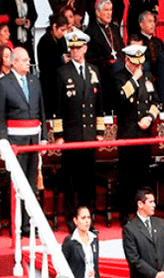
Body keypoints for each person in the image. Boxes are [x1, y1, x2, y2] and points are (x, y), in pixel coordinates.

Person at [0, 46, 49, 236]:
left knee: (32, 185)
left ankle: (30, 224)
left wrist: (44, 138)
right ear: (14, 62)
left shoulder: (35, 81)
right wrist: (3, 144)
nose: (28, 63)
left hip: (33, 139)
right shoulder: (3, 84)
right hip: (15, 142)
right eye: (24, 60)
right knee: (18, 185)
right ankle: (18, 225)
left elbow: (42, 110)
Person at [55, 30, 101, 219]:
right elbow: (57, 107)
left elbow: (99, 104)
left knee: (88, 178)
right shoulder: (62, 72)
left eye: (78, 48)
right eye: (72, 48)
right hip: (71, 134)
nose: (75, 51)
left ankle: (87, 215)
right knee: (70, 178)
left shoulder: (93, 71)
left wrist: (99, 130)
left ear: (85, 48)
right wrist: (59, 136)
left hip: (89, 133)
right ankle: (70, 215)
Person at [111, 43, 160, 224]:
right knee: (127, 176)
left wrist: (150, 117)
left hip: (144, 134)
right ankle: (125, 212)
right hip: (128, 134)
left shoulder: (147, 77)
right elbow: (121, 98)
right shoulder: (119, 77)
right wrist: (133, 79)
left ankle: (144, 212)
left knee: (143, 175)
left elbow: (156, 102)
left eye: (141, 63)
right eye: (134, 63)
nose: (139, 67)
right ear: (127, 61)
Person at [85, 0, 124, 113]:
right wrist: (106, 62)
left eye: (110, 10)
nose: (109, 13)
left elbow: (122, 48)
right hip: (103, 76)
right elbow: (90, 57)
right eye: (106, 10)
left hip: (119, 74)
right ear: (97, 12)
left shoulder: (115, 29)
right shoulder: (91, 31)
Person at [38, 13, 72, 115]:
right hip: (49, 83)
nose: (64, 33)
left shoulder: (61, 40)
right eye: (62, 30)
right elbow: (44, 65)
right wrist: (60, 59)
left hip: (61, 81)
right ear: (54, 27)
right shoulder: (44, 41)